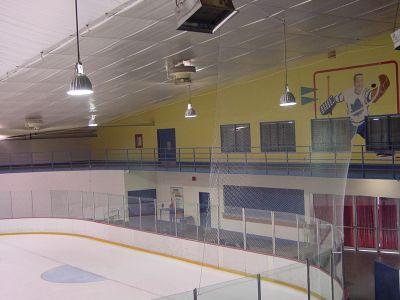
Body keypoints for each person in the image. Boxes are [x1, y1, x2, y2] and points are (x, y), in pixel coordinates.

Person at [319, 73, 390, 138]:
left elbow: (373, 95)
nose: (360, 83)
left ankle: (383, 151)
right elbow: (335, 99)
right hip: (351, 124)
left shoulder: (365, 92)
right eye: (358, 81)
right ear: (354, 82)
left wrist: (382, 87)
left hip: (364, 124)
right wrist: (330, 106)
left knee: (375, 139)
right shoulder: (347, 93)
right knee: (341, 142)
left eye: (361, 81)